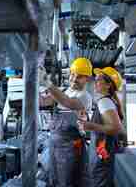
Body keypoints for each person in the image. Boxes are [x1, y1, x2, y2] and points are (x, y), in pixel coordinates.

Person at [38, 57, 93, 187]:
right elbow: (44, 101)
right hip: (54, 144)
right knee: (53, 179)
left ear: (88, 79)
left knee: (67, 181)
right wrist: (33, 82)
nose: (74, 79)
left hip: (70, 148)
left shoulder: (85, 97)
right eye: (73, 75)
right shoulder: (64, 91)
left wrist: (47, 82)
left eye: (79, 76)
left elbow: (67, 102)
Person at [78, 67, 124, 187]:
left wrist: (90, 126)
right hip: (102, 151)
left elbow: (115, 128)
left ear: (108, 85)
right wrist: (88, 121)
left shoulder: (105, 102)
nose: (95, 83)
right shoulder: (107, 101)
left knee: (100, 182)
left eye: (98, 80)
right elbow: (105, 125)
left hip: (102, 152)